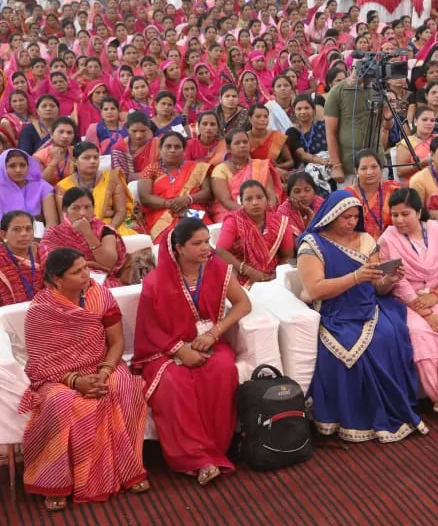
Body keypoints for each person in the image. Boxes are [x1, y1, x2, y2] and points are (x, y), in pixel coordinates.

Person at [19, 247, 149, 511]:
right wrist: (76, 381)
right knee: (62, 402)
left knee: (123, 386)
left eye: (85, 268)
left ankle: (128, 471)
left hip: (103, 364)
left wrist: (103, 372)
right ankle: (55, 483)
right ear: (57, 279)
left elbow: (116, 342)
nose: (86, 275)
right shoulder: (41, 309)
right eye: (77, 271)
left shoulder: (99, 295)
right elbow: (41, 361)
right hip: (58, 376)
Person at [296, 191, 427, 443]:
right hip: (334, 311)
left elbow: (377, 287)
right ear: (332, 216)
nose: (351, 222)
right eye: (346, 217)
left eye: (356, 217)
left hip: (369, 305)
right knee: (345, 350)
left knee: (391, 336)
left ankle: (392, 408)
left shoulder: (366, 240)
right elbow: (314, 289)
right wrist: (356, 277)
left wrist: (390, 279)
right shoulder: (312, 245)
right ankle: (353, 417)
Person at [133, 219, 251, 484]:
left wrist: (214, 333)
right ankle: (196, 460)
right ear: (179, 248)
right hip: (164, 350)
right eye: (197, 243)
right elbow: (150, 329)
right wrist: (180, 350)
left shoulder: (217, 269)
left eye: (207, 241)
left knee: (221, 370)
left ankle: (216, 450)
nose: (206, 248)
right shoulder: (155, 281)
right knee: (174, 383)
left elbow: (243, 303)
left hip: (209, 342)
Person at [378, 188, 438, 421]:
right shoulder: (388, 239)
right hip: (407, 302)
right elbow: (397, 282)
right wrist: (427, 314)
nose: (399, 220)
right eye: (395, 214)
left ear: (419, 212)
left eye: (405, 214)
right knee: (420, 333)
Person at [214, 179, 295, 288]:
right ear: (241, 203)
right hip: (242, 276)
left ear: (266, 199)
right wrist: (248, 270)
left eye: (259, 197)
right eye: (248, 199)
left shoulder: (280, 222)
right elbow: (220, 251)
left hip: (274, 278)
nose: (255, 203)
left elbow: (287, 255)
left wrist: (276, 275)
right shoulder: (234, 221)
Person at [40, 187, 128, 286]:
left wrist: (88, 233)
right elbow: (52, 269)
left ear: (93, 208)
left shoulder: (104, 230)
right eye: (75, 208)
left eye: (87, 207)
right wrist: (90, 265)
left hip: (102, 281)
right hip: (67, 284)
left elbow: (109, 264)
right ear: (65, 210)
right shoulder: (53, 234)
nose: (82, 213)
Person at [137, 132, 211, 240]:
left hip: (192, 210)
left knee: (202, 235)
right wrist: (171, 205)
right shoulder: (151, 169)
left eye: (177, 147)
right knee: (169, 241)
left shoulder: (197, 168)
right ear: (160, 150)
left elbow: (208, 193)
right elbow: (145, 197)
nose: (172, 150)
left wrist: (188, 199)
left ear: (184, 150)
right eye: (168, 146)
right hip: (161, 214)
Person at [209, 129, 281, 223]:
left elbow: (271, 195)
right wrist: (248, 215)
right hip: (230, 213)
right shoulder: (220, 170)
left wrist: (267, 212)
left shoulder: (260, 166)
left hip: (263, 212)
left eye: (245, 142)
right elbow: (226, 201)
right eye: (237, 143)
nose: (242, 145)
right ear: (228, 148)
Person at [346, 149, 400, 240]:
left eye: (374, 167)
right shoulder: (348, 195)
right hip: (358, 245)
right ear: (356, 172)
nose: (369, 172)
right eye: (364, 168)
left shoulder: (393, 189)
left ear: (381, 169)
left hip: (392, 243)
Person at [0, 149, 58, 226]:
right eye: (12, 166)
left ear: (28, 167)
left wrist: (44, 238)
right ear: (3, 168)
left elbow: (52, 223)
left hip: (39, 235)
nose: (18, 170)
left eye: (22, 165)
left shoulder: (42, 187)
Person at [0, 210, 42, 305]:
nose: (24, 234)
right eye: (17, 229)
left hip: (44, 311)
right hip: (5, 315)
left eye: (28, 229)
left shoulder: (42, 252)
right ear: (3, 234)